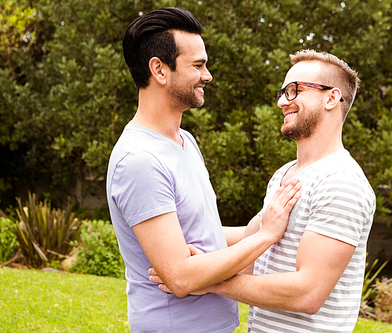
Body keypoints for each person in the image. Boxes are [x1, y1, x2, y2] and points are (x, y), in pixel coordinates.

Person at [150, 49, 376, 332]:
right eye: (282, 92)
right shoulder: (286, 173)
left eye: (294, 90)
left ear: (331, 97)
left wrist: (207, 281)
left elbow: (307, 293)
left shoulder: (342, 182)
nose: (283, 102)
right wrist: (170, 239)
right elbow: (251, 245)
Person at [106, 7, 301, 333]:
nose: (207, 75)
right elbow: (180, 277)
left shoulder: (185, 141)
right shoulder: (139, 160)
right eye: (198, 65)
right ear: (159, 70)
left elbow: (203, 231)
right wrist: (266, 235)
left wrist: (271, 221)